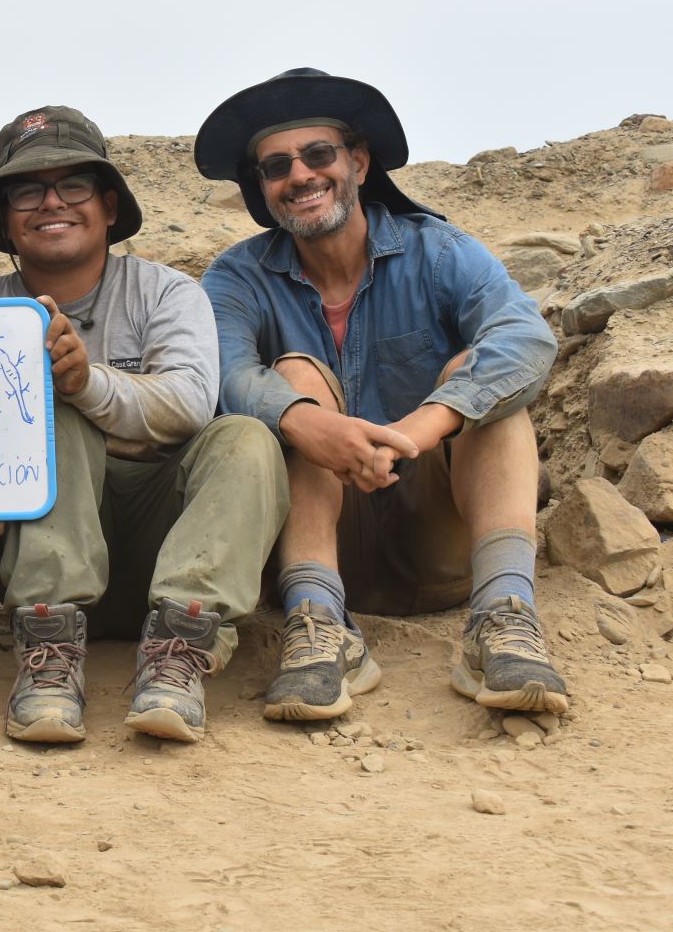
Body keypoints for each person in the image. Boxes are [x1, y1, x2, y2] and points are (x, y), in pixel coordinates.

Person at [196, 67, 568, 721]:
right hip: (307, 556)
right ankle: (319, 632)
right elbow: (221, 369)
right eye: (277, 166)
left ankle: (504, 619)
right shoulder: (237, 276)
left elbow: (525, 338)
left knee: (485, 384)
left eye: (318, 155)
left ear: (358, 162)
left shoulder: (439, 252)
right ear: (263, 188)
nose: (301, 176)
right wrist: (311, 426)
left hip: (439, 541)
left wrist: (419, 430)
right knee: (295, 379)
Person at [0, 107, 285, 743]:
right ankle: (47, 660)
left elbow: (188, 402)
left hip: (167, 553)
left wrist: (84, 382)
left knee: (247, 437)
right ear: (6, 219)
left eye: (73, 186)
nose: (51, 204)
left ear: (107, 206)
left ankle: (180, 654)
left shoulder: (167, 292)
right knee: (55, 418)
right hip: (40, 564)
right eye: (26, 190)